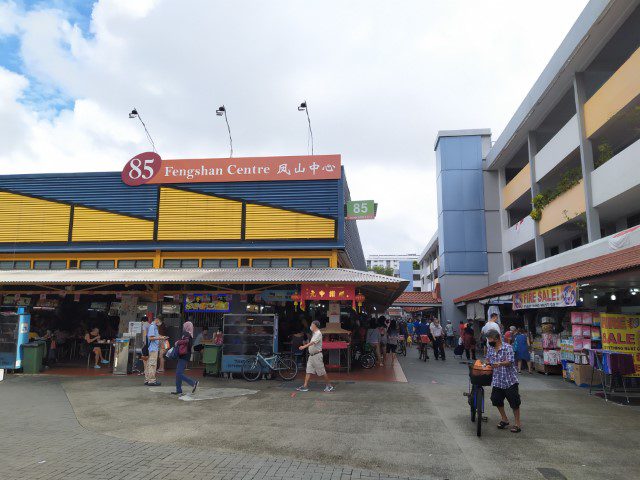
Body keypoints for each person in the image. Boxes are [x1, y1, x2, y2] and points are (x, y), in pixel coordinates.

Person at [485, 330, 522, 433]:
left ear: (496, 338)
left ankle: (517, 424)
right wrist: (487, 363)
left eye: (490, 339)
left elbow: (510, 361)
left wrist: (500, 363)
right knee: (495, 399)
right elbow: (487, 359)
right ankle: (504, 419)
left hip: (510, 380)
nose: (489, 341)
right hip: (497, 380)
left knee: (514, 402)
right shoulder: (490, 349)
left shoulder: (507, 347)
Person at [296, 320, 334, 392]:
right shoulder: (314, 333)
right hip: (311, 356)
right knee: (308, 371)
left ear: (315, 326)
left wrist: (304, 346)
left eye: (312, 325)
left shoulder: (318, 333)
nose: (310, 326)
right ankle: (305, 386)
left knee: (322, 371)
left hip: (317, 356)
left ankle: (329, 385)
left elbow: (313, 342)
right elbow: (311, 342)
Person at [172, 321, 199, 395]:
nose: (184, 327)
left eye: (185, 326)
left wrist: (178, 342)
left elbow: (186, 341)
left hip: (184, 355)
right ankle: (178, 390)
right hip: (185, 355)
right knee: (178, 373)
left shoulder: (186, 333)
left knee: (178, 373)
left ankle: (193, 383)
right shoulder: (190, 334)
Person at [145, 317, 167, 386]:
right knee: (152, 365)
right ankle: (151, 380)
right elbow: (151, 338)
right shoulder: (152, 327)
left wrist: (161, 337)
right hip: (153, 349)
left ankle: (147, 380)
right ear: (157, 320)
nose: (160, 324)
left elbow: (154, 336)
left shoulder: (154, 327)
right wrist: (160, 338)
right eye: (160, 322)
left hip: (153, 348)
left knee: (149, 364)